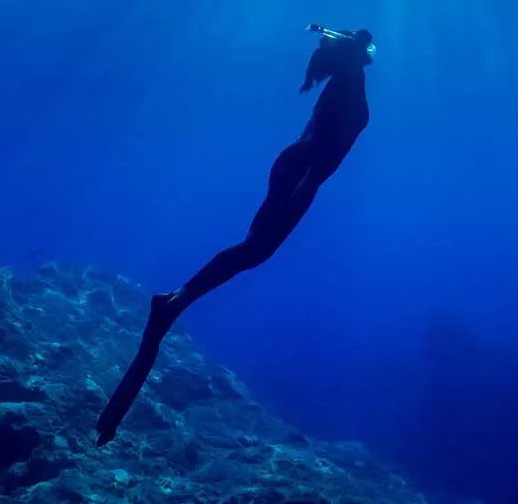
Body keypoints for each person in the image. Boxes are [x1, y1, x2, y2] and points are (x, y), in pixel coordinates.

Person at [97, 28, 375, 447]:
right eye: (365, 49)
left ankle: (176, 300)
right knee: (255, 250)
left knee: (253, 250)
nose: (372, 51)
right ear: (356, 56)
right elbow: (323, 148)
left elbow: (318, 135)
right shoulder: (347, 91)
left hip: (295, 167)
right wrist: (302, 189)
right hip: (302, 173)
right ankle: (174, 302)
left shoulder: (345, 84)